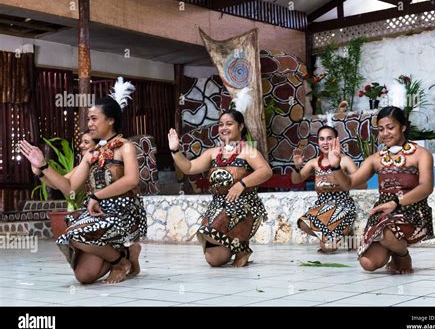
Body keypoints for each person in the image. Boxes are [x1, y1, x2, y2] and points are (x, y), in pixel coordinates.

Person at [20, 77, 147, 284]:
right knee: (84, 276)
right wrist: (42, 167)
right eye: (89, 119)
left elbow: (131, 180)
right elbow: (68, 186)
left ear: (111, 120)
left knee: (74, 234)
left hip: (123, 213)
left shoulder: (126, 147)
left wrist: (96, 195)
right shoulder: (92, 154)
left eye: (94, 118)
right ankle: (122, 253)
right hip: (97, 214)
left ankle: (121, 260)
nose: (89, 124)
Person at [328, 106, 434, 274]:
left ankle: (403, 255)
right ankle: (393, 248)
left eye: (390, 127)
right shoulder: (375, 159)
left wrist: (396, 202)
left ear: (403, 126)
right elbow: (349, 183)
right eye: (381, 129)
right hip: (383, 214)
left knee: (386, 233)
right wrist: (335, 166)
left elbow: (426, 187)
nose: (385, 133)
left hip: (411, 210)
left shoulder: (421, 154)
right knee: (368, 263)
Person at [168, 109, 272, 267]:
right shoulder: (212, 153)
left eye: (229, 124)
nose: (224, 128)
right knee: (214, 260)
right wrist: (175, 150)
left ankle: (241, 247)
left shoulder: (248, 151)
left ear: (241, 126)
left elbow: (266, 171)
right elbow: (188, 167)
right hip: (217, 205)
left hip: (242, 205)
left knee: (209, 229)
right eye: (221, 124)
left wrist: (241, 184)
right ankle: (238, 248)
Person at [291, 125, 365, 253]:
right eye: (322, 139)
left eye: (329, 138)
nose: (325, 142)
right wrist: (297, 167)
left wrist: (340, 180)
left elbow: (363, 185)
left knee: (328, 248)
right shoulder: (314, 163)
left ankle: (343, 231)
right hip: (321, 208)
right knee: (302, 223)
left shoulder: (345, 161)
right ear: (318, 141)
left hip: (342, 207)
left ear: (336, 140)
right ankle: (334, 235)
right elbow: (296, 180)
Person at [30, 131, 97, 189]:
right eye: (82, 142)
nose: (81, 145)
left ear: (96, 145)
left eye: (86, 142)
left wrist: (43, 165)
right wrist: (40, 173)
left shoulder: (100, 166)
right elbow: (57, 185)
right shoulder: (80, 168)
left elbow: (68, 187)